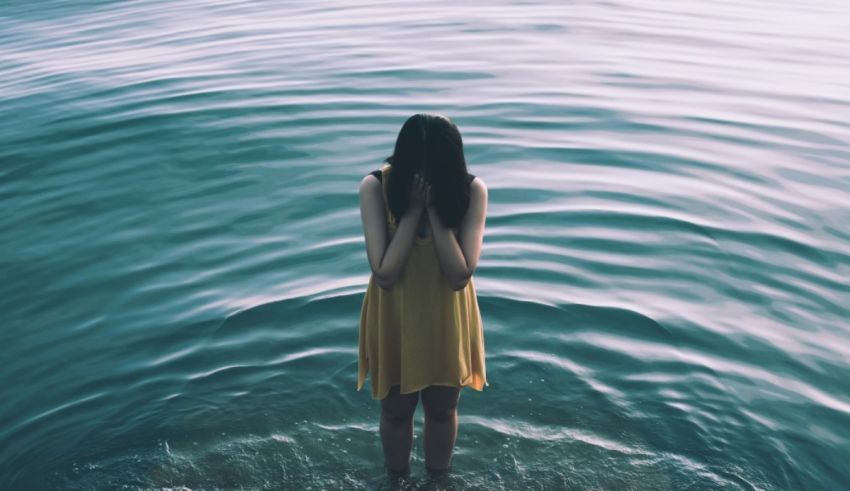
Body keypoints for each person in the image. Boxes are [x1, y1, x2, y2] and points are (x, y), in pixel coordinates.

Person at [356, 113, 488, 475]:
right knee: (396, 413)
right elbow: (384, 273)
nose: (426, 177)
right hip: (395, 312)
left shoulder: (471, 191)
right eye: (419, 167)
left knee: (443, 410)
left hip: (447, 313)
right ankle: (396, 481)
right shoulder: (375, 188)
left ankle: (438, 481)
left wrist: (435, 209)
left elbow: (460, 274)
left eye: (436, 170)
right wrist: (413, 211)